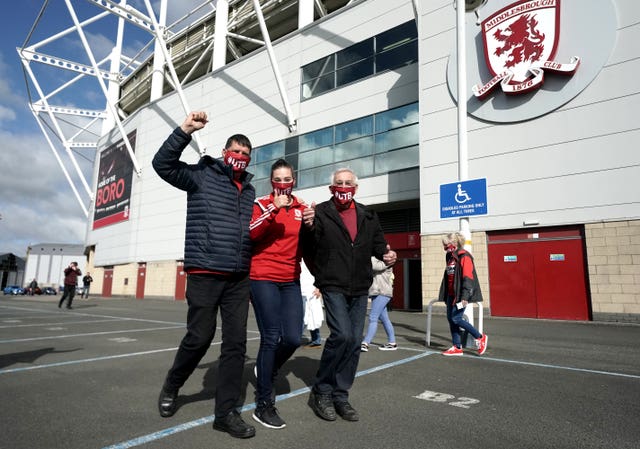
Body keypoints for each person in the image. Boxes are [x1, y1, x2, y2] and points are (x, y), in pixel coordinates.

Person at [152, 111, 256, 439]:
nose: (239, 158)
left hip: (238, 276)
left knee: (236, 343)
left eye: (245, 154)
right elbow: (162, 165)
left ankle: (225, 412)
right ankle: (172, 385)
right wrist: (185, 130)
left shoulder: (250, 190)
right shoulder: (202, 175)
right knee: (200, 336)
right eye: (235, 151)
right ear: (225, 153)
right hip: (205, 270)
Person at [303, 168, 397, 422]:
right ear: (331, 187)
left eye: (348, 183)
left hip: (359, 286)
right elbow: (310, 245)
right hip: (332, 284)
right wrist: (309, 225)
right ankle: (322, 391)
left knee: (355, 341)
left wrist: (388, 254)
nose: (343, 187)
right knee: (342, 334)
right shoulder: (320, 212)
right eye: (338, 183)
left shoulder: (367, 214)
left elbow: (379, 245)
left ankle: (341, 395)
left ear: (355, 187)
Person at [248, 158, 315, 429]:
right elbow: (251, 234)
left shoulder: (302, 207)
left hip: (290, 280)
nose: (284, 184)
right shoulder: (261, 204)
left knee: (291, 338)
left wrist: (314, 225)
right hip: (262, 276)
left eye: (288, 179)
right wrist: (273, 209)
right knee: (270, 337)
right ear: (271, 181)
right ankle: (263, 404)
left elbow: (311, 245)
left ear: (294, 180)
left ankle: (266, 367)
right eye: (279, 179)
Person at [438, 232, 488, 356]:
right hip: (451, 294)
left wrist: (465, 296)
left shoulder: (464, 256)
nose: (445, 247)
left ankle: (480, 337)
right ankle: (457, 347)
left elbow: (468, 277)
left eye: (446, 244)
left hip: (460, 295)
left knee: (456, 318)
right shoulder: (450, 256)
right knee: (451, 319)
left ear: (454, 243)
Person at [361, 256, 397, 352]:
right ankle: (392, 342)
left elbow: (374, 266)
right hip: (376, 292)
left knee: (373, 317)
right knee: (384, 318)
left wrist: (369, 254)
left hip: (382, 292)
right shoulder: (378, 260)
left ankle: (365, 343)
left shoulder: (385, 261)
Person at [300, 261, 322, 348]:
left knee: (303, 317)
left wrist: (318, 288)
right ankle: (316, 339)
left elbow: (320, 272)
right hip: (301, 289)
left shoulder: (312, 258)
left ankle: (294, 339)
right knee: (311, 316)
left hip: (310, 290)